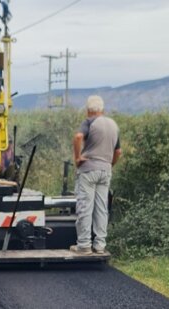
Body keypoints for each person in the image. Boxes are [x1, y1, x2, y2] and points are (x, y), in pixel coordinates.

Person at [70, 95, 122, 255]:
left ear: (88, 111)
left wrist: (78, 157)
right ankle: (100, 245)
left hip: (89, 169)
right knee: (101, 208)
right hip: (105, 171)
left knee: (85, 206)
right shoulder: (113, 125)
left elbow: (78, 137)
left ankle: (84, 245)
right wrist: (109, 165)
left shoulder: (89, 122)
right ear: (103, 110)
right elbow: (118, 151)